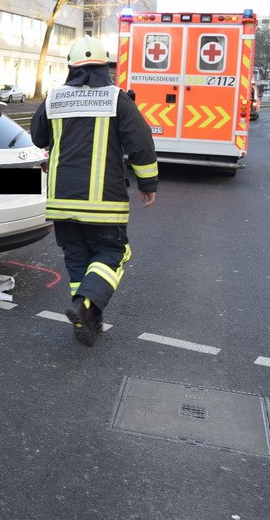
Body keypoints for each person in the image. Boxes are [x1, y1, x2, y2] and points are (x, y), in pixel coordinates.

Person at [30, 36, 158, 347]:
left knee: (77, 257)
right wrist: (148, 184)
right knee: (114, 253)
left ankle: (88, 315)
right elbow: (140, 145)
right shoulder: (118, 99)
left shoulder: (53, 99)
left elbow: (37, 137)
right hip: (105, 202)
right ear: (106, 66)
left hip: (61, 201)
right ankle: (85, 304)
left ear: (71, 67)